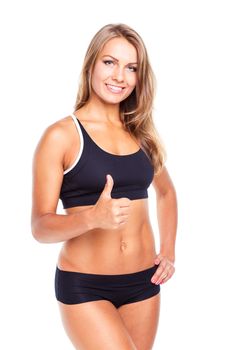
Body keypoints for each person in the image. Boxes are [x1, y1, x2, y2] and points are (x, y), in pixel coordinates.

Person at [31, 23, 178, 350]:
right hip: (85, 287)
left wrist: (168, 250)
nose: (120, 76)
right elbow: (40, 226)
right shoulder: (62, 136)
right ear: (91, 65)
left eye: (131, 67)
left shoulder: (140, 133)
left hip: (143, 283)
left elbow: (166, 192)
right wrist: (91, 219)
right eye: (109, 62)